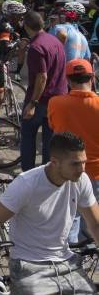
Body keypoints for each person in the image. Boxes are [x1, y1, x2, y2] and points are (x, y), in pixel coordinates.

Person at [0, 132, 99, 295]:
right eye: (75, 164)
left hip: (65, 261)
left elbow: (95, 224)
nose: (82, 169)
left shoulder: (80, 180)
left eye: (84, 162)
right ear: (54, 162)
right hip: (28, 264)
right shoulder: (26, 184)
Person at [48, 58, 99, 239]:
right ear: (92, 78)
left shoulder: (55, 103)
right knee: (93, 223)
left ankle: (70, 255)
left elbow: (53, 126)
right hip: (96, 172)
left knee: (69, 222)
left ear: (68, 80)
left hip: (66, 171)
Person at [20, 11, 67, 171]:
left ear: (26, 26)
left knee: (28, 138)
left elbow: (42, 77)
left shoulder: (36, 47)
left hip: (41, 101)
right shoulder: (55, 41)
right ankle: (48, 176)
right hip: (58, 100)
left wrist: (32, 104)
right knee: (49, 142)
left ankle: (28, 175)